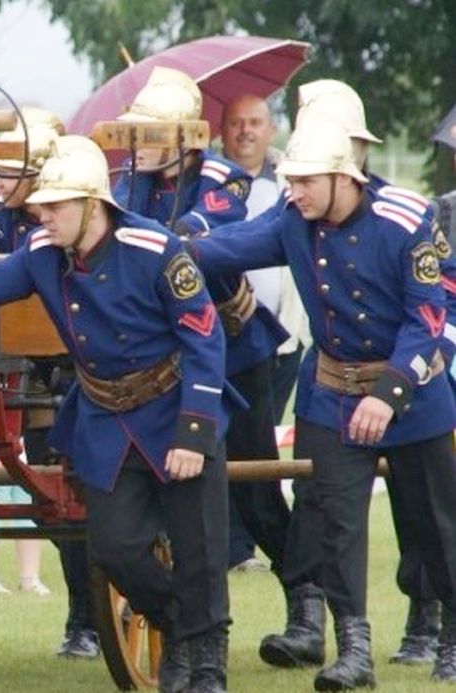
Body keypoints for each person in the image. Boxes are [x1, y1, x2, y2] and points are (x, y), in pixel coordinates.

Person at [0, 137, 233, 692]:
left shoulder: (156, 250)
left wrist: (194, 432)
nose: (40, 213)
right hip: (104, 417)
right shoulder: (40, 252)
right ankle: (180, 629)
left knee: (198, 547)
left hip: (174, 408)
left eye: (54, 205)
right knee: (115, 549)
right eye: (42, 204)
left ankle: (208, 667)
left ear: (93, 203)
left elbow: (205, 339)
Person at [189, 117, 456, 689]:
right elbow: (228, 247)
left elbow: (428, 318)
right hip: (333, 396)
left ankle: (453, 636)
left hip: (413, 396)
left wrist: (388, 395)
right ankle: (354, 649)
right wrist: (169, 250)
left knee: (437, 525)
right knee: (334, 523)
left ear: (344, 176)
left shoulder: (406, 220)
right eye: (290, 180)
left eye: (306, 180)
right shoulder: (293, 218)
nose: (295, 190)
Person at [113, 68, 289, 589]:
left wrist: (152, 239)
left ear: (182, 136)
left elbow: (208, 225)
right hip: (167, 356)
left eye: (147, 132)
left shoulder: (220, 175)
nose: (135, 144)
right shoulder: (131, 182)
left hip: (236, 351)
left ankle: (304, 592)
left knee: (255, 489)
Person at [217, 94, 305, 577]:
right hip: (223, 340)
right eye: (236, 122)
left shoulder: (289, 184)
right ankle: (236, 550)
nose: (246, 131)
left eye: (255, 122)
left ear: (271, 131)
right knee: (225, 445)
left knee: (258, 450)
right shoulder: (210, 184)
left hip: (281, 338)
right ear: (222, 130)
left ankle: (272, 554)